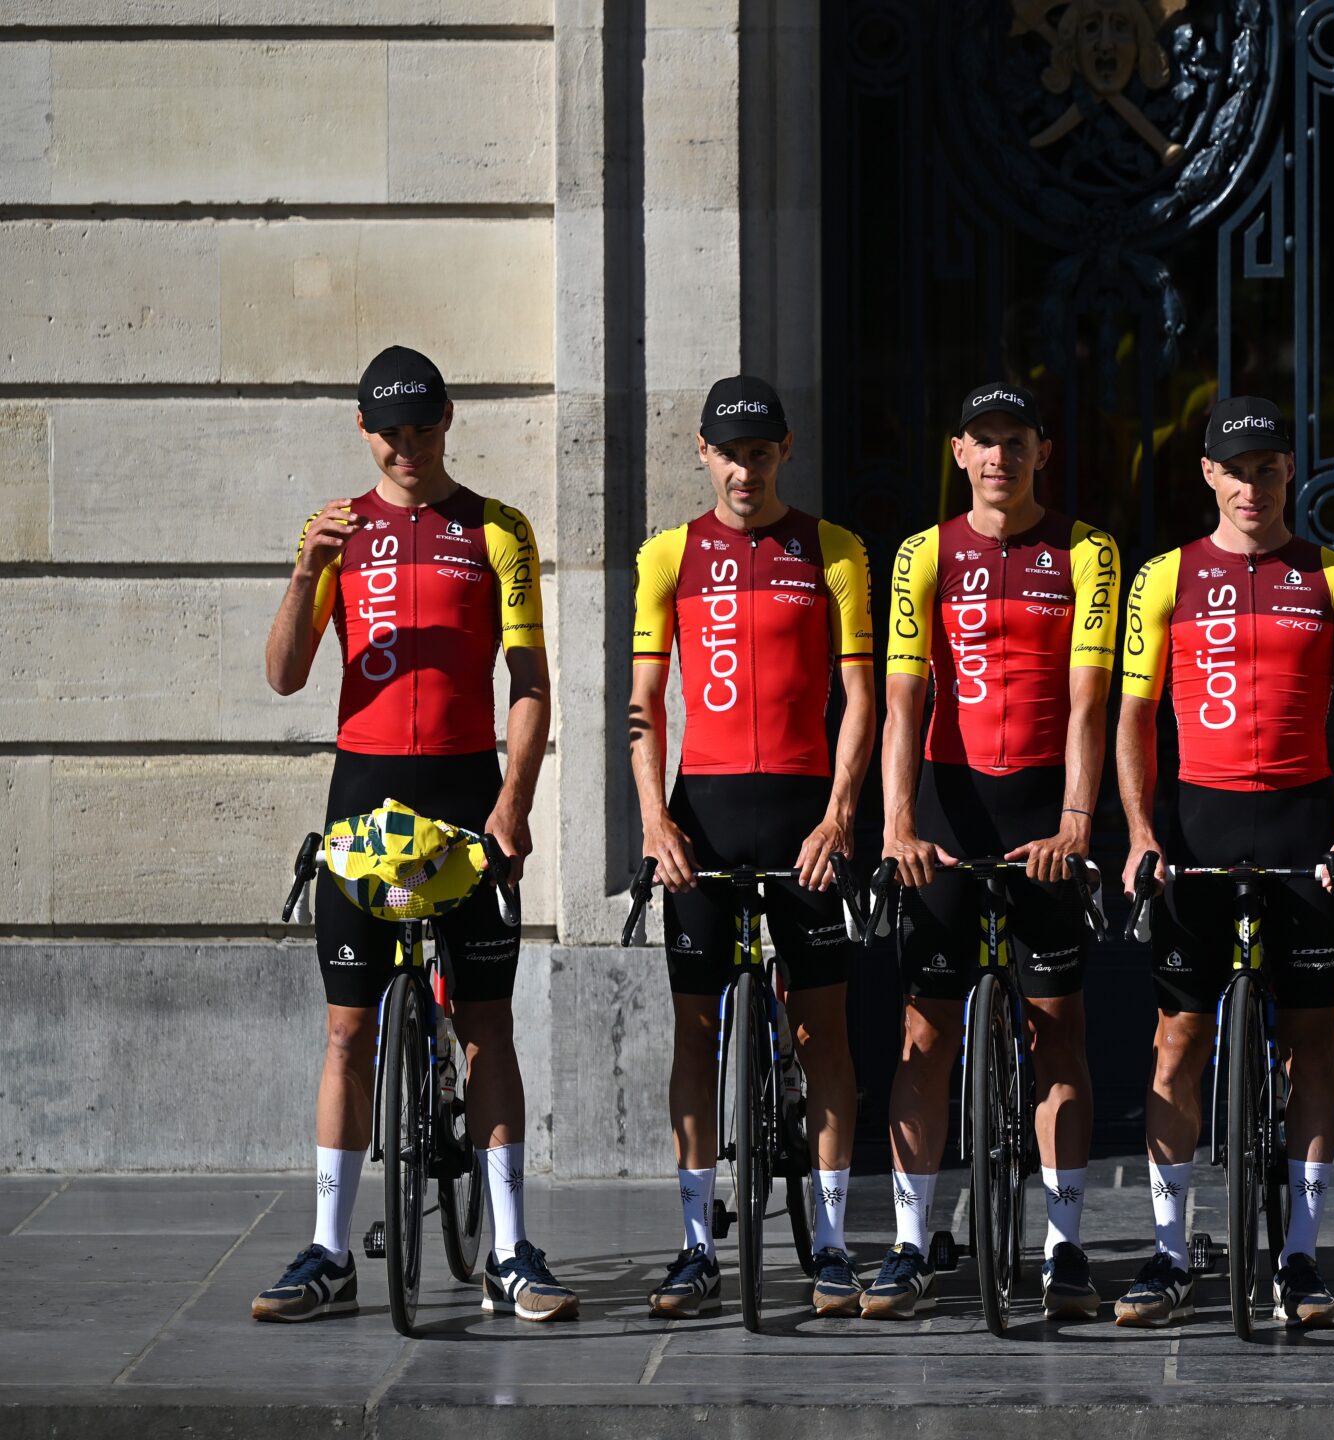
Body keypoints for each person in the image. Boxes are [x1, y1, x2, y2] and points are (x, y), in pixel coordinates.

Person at [253, 346, 569, 1322]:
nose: (406, 447)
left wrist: (513, 801)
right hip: (365, 798)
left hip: (466, 797)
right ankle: (327, 1249)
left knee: (486, 1024)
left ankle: (511, 1249)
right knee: (348, 1028)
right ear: (364, 431)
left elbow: (529, 685)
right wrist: (304, 568)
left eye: (422, 428)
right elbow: (283, 675)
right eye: (388, 431)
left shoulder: (498, 530)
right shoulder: (336, 533)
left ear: (447, 421)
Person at [1111, 396, 1334, 1328]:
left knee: (1310, 1047)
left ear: (1289, 474)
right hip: (1200, 829)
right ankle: (1169, 1250)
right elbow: (1136, 718)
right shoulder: (1162, 579)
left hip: (1304, 825)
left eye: (1270, 468)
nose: (1254, 486)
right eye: (1237, 469)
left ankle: (1301, 1257)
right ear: (1208, 476)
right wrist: (1142, 832)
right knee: (1177, 1042)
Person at [861, 383, 1121, 1321]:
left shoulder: (1087, 552)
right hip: (948, 808)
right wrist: (896, 824)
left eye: (1017, 441)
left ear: (1042, 452)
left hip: (1045, 810)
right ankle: (905, 1243)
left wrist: (1079, 821)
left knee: (1061, 1033)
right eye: (983, 442)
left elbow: (1092, 700)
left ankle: (1064, 1248)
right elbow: (902, 700)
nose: (1000, 457)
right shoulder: (922, 554)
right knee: (924, 1035)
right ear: (960, 454)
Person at [628, 377, 875, 1318]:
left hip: (804, 819)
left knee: (824, 1036)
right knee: (694, 1034)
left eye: (761, 451)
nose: (745, 468)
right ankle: (696, 1247)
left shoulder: (834, 550)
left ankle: (836, 1243)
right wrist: (655, 822)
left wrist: (841, 816)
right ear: (702, 452)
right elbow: (645, 704)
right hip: (705, 818)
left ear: (786, 450)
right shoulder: (667, 555)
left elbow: (862, 698)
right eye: (729, 452)